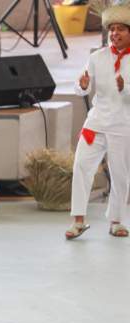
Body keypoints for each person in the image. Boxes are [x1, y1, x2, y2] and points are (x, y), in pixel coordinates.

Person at [66, 4, 130, 240]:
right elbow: (81, 87)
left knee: (121, 175)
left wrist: (126, 90)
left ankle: (116, 221)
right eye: (112, 29)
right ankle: (78, 220)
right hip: (95, 123)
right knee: (81, 167)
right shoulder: (97, 57)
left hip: (123, 126)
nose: (115, 33)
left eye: (121, 29)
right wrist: (82, 87)